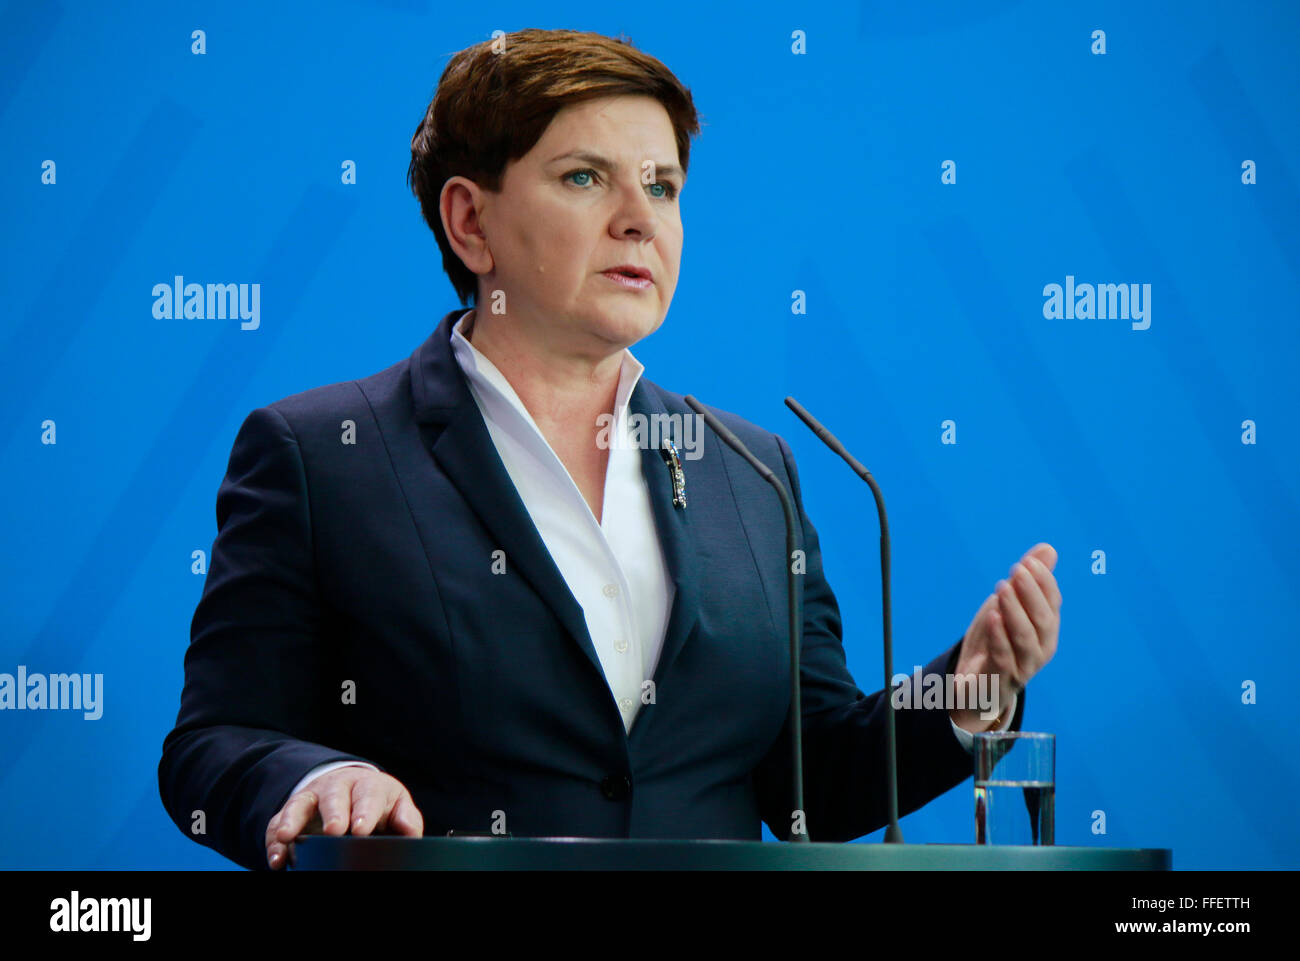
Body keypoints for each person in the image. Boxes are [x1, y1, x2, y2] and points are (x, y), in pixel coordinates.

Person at [158, 28, 1060, 872]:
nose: (640, 219)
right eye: (587, 178)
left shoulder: (752, 471)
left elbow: (815, 781)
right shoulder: (321, 455)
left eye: (662, 185)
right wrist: (314, 780)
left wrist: (962, 692)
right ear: (470, 222)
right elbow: (214, 743)